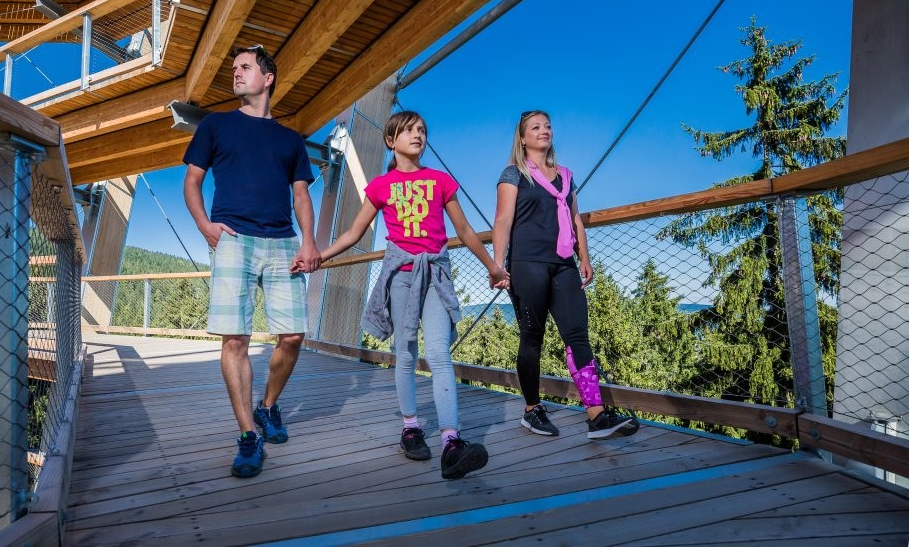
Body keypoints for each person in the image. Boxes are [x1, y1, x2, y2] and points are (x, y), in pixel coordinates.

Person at [318, 110, 509, 480]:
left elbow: (464, 230)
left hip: (435, 274)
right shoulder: (381, 186)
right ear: (391, 141)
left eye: (422, 130)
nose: (418, 135)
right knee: (405, 352)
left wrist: (492, 266)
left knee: (438, 353)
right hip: (402, 277)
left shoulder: (440, 181)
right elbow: (354, 233)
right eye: (408, 130)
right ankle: (410, 428)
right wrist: (319, 257)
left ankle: (451, 442)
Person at [183, 45, 321, 478]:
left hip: (283, 243)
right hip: (233, 240)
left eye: (244, 67)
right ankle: (247, 435)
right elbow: (192, 181)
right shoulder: (216, 125)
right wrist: (205, 226)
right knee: (235, 341)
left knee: (293, 336)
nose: (236, 73)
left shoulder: (290, 139)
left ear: (268, 78)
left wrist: (309, 242)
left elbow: (301, 194)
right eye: (234, 69)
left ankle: (268, 405)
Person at [492, 110, 639, 440]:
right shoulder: (513, 173)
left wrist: (583, 257)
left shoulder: (566, 177)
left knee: (577, 334)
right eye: (535, 127)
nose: (544, 130)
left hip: (563, 264)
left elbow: (575, 220)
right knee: (532, 336)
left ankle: (596, 415)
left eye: (547, 126)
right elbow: (502, 220)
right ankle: (532, 409)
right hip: (527, 263)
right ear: (522, 138)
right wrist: (498, 264)